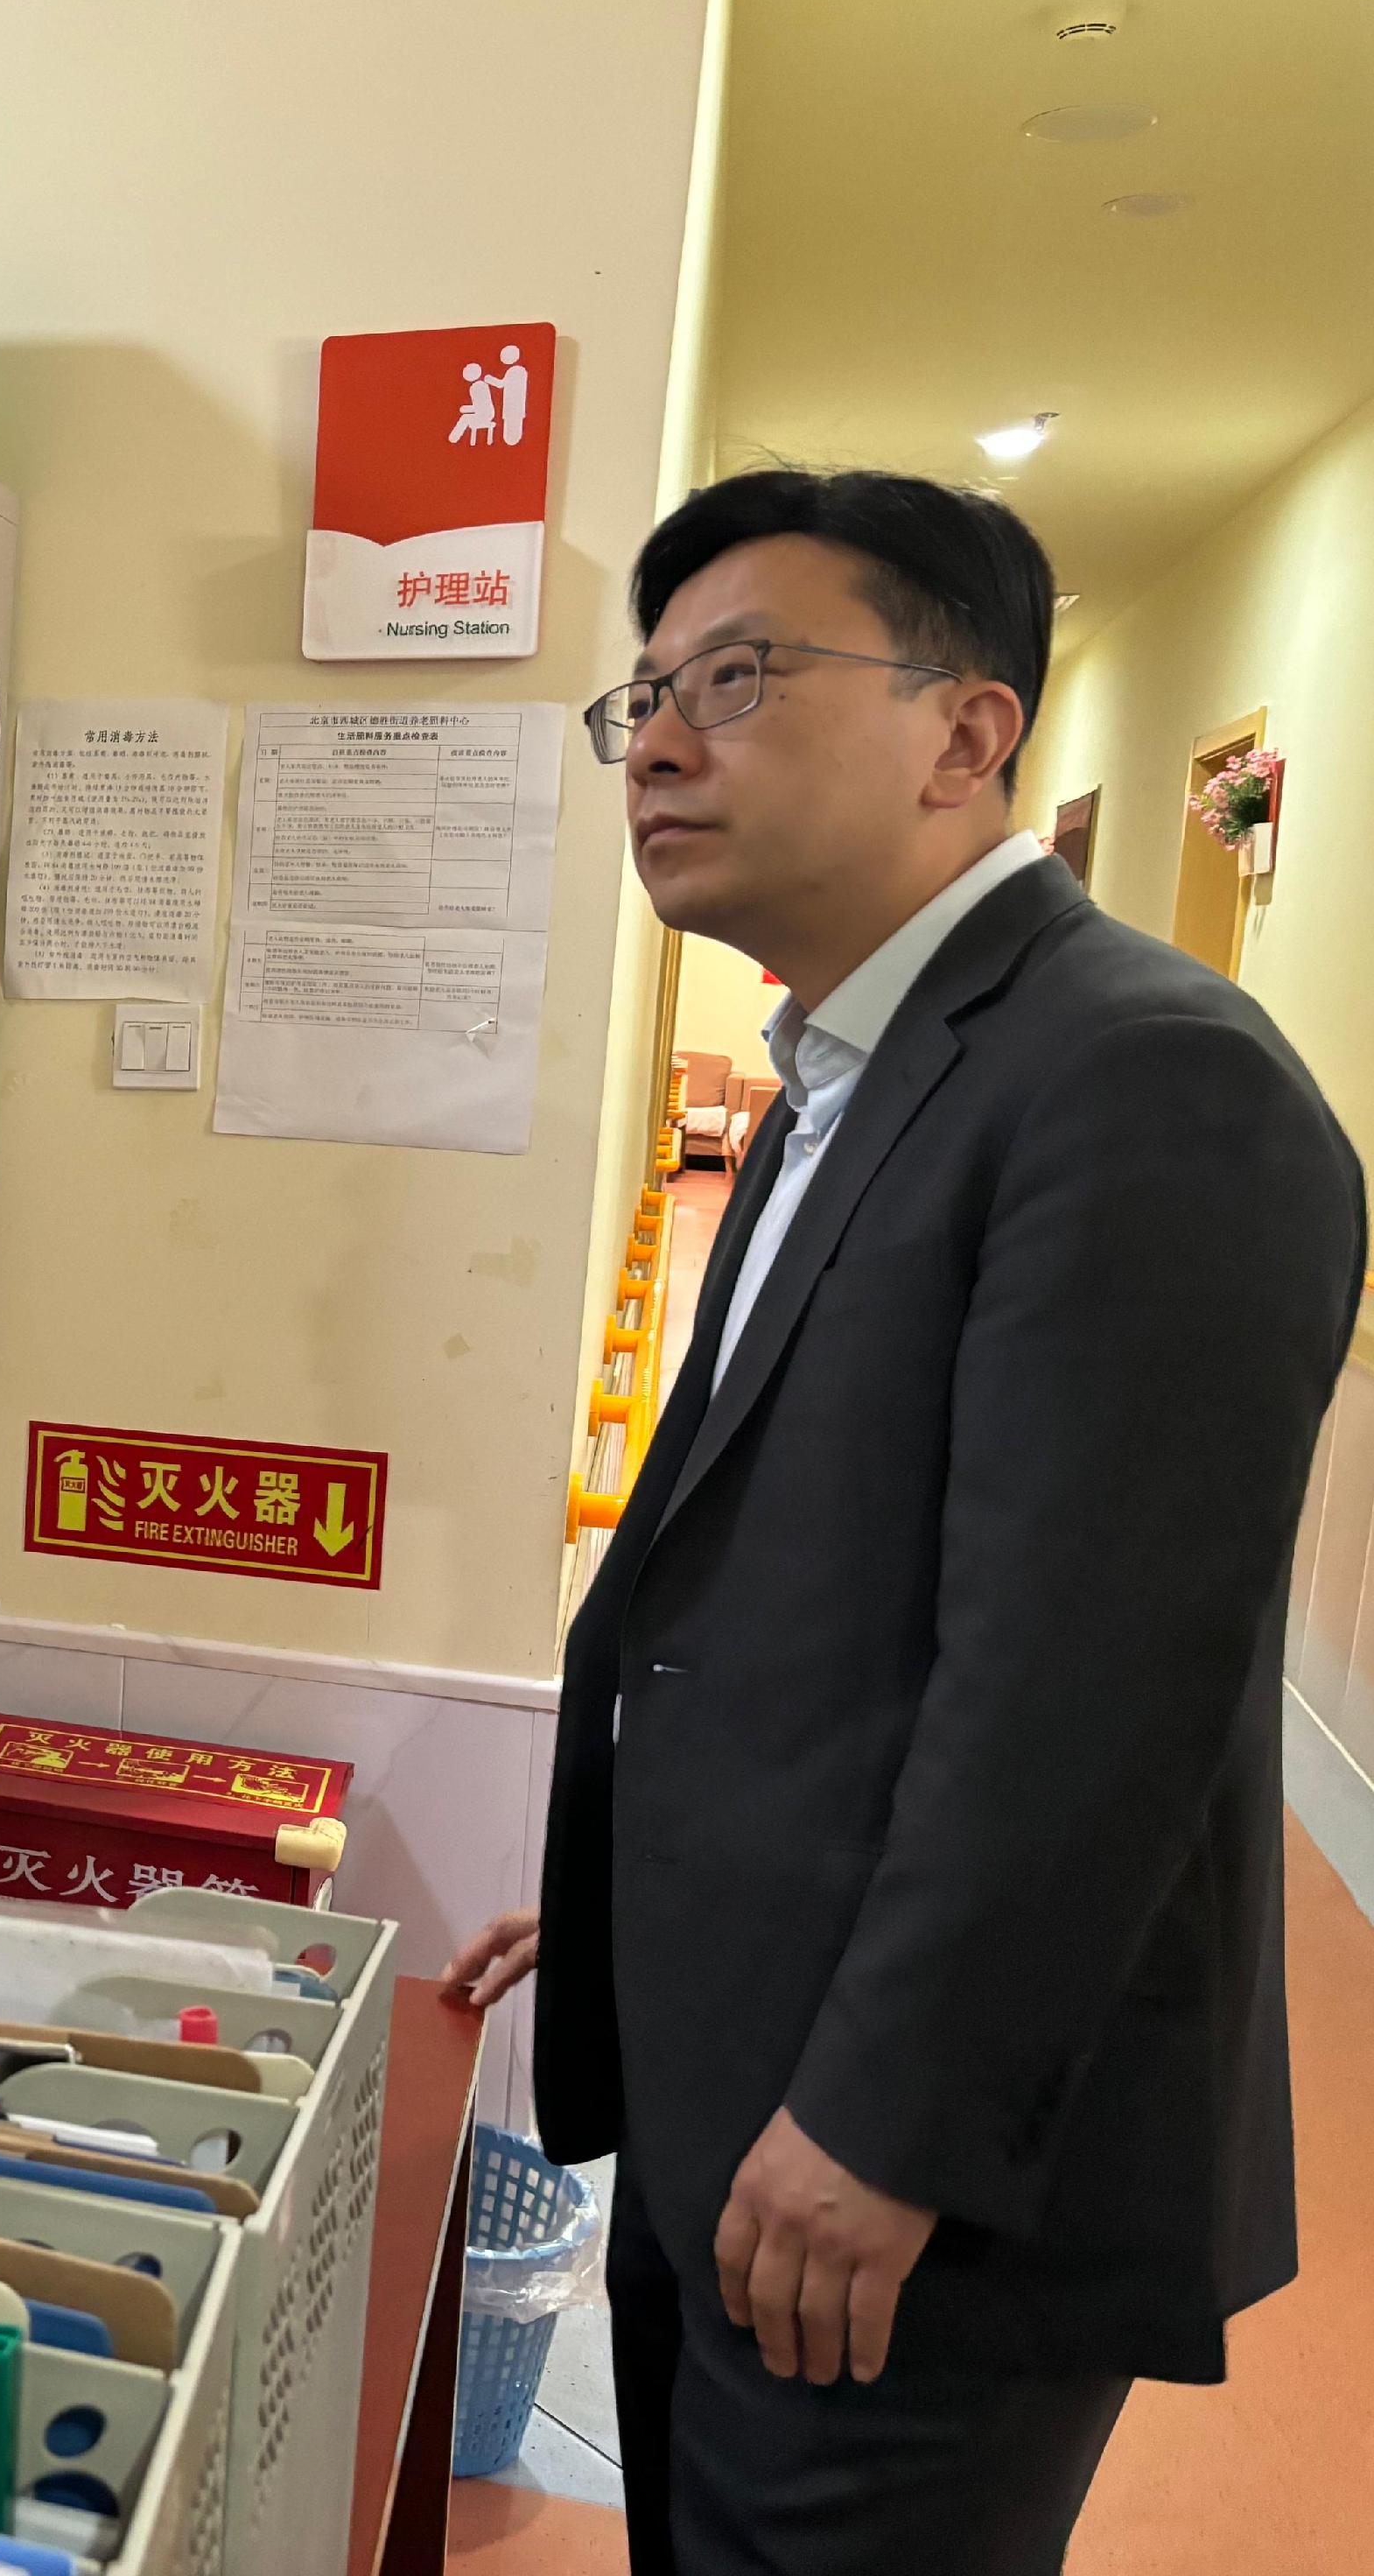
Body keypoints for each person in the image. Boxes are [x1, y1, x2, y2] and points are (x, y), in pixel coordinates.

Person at [446, 469, 1362, 2573]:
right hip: (745, 2073)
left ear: (967, 734)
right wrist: (630, 1914)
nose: (657, 741)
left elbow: (1084, 1701)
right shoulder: (839, 1075)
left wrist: (882, 2126)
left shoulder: (1143, 1084)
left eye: (738, 680)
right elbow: (794, 1598)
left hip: (909, 2180)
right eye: (643, 696)